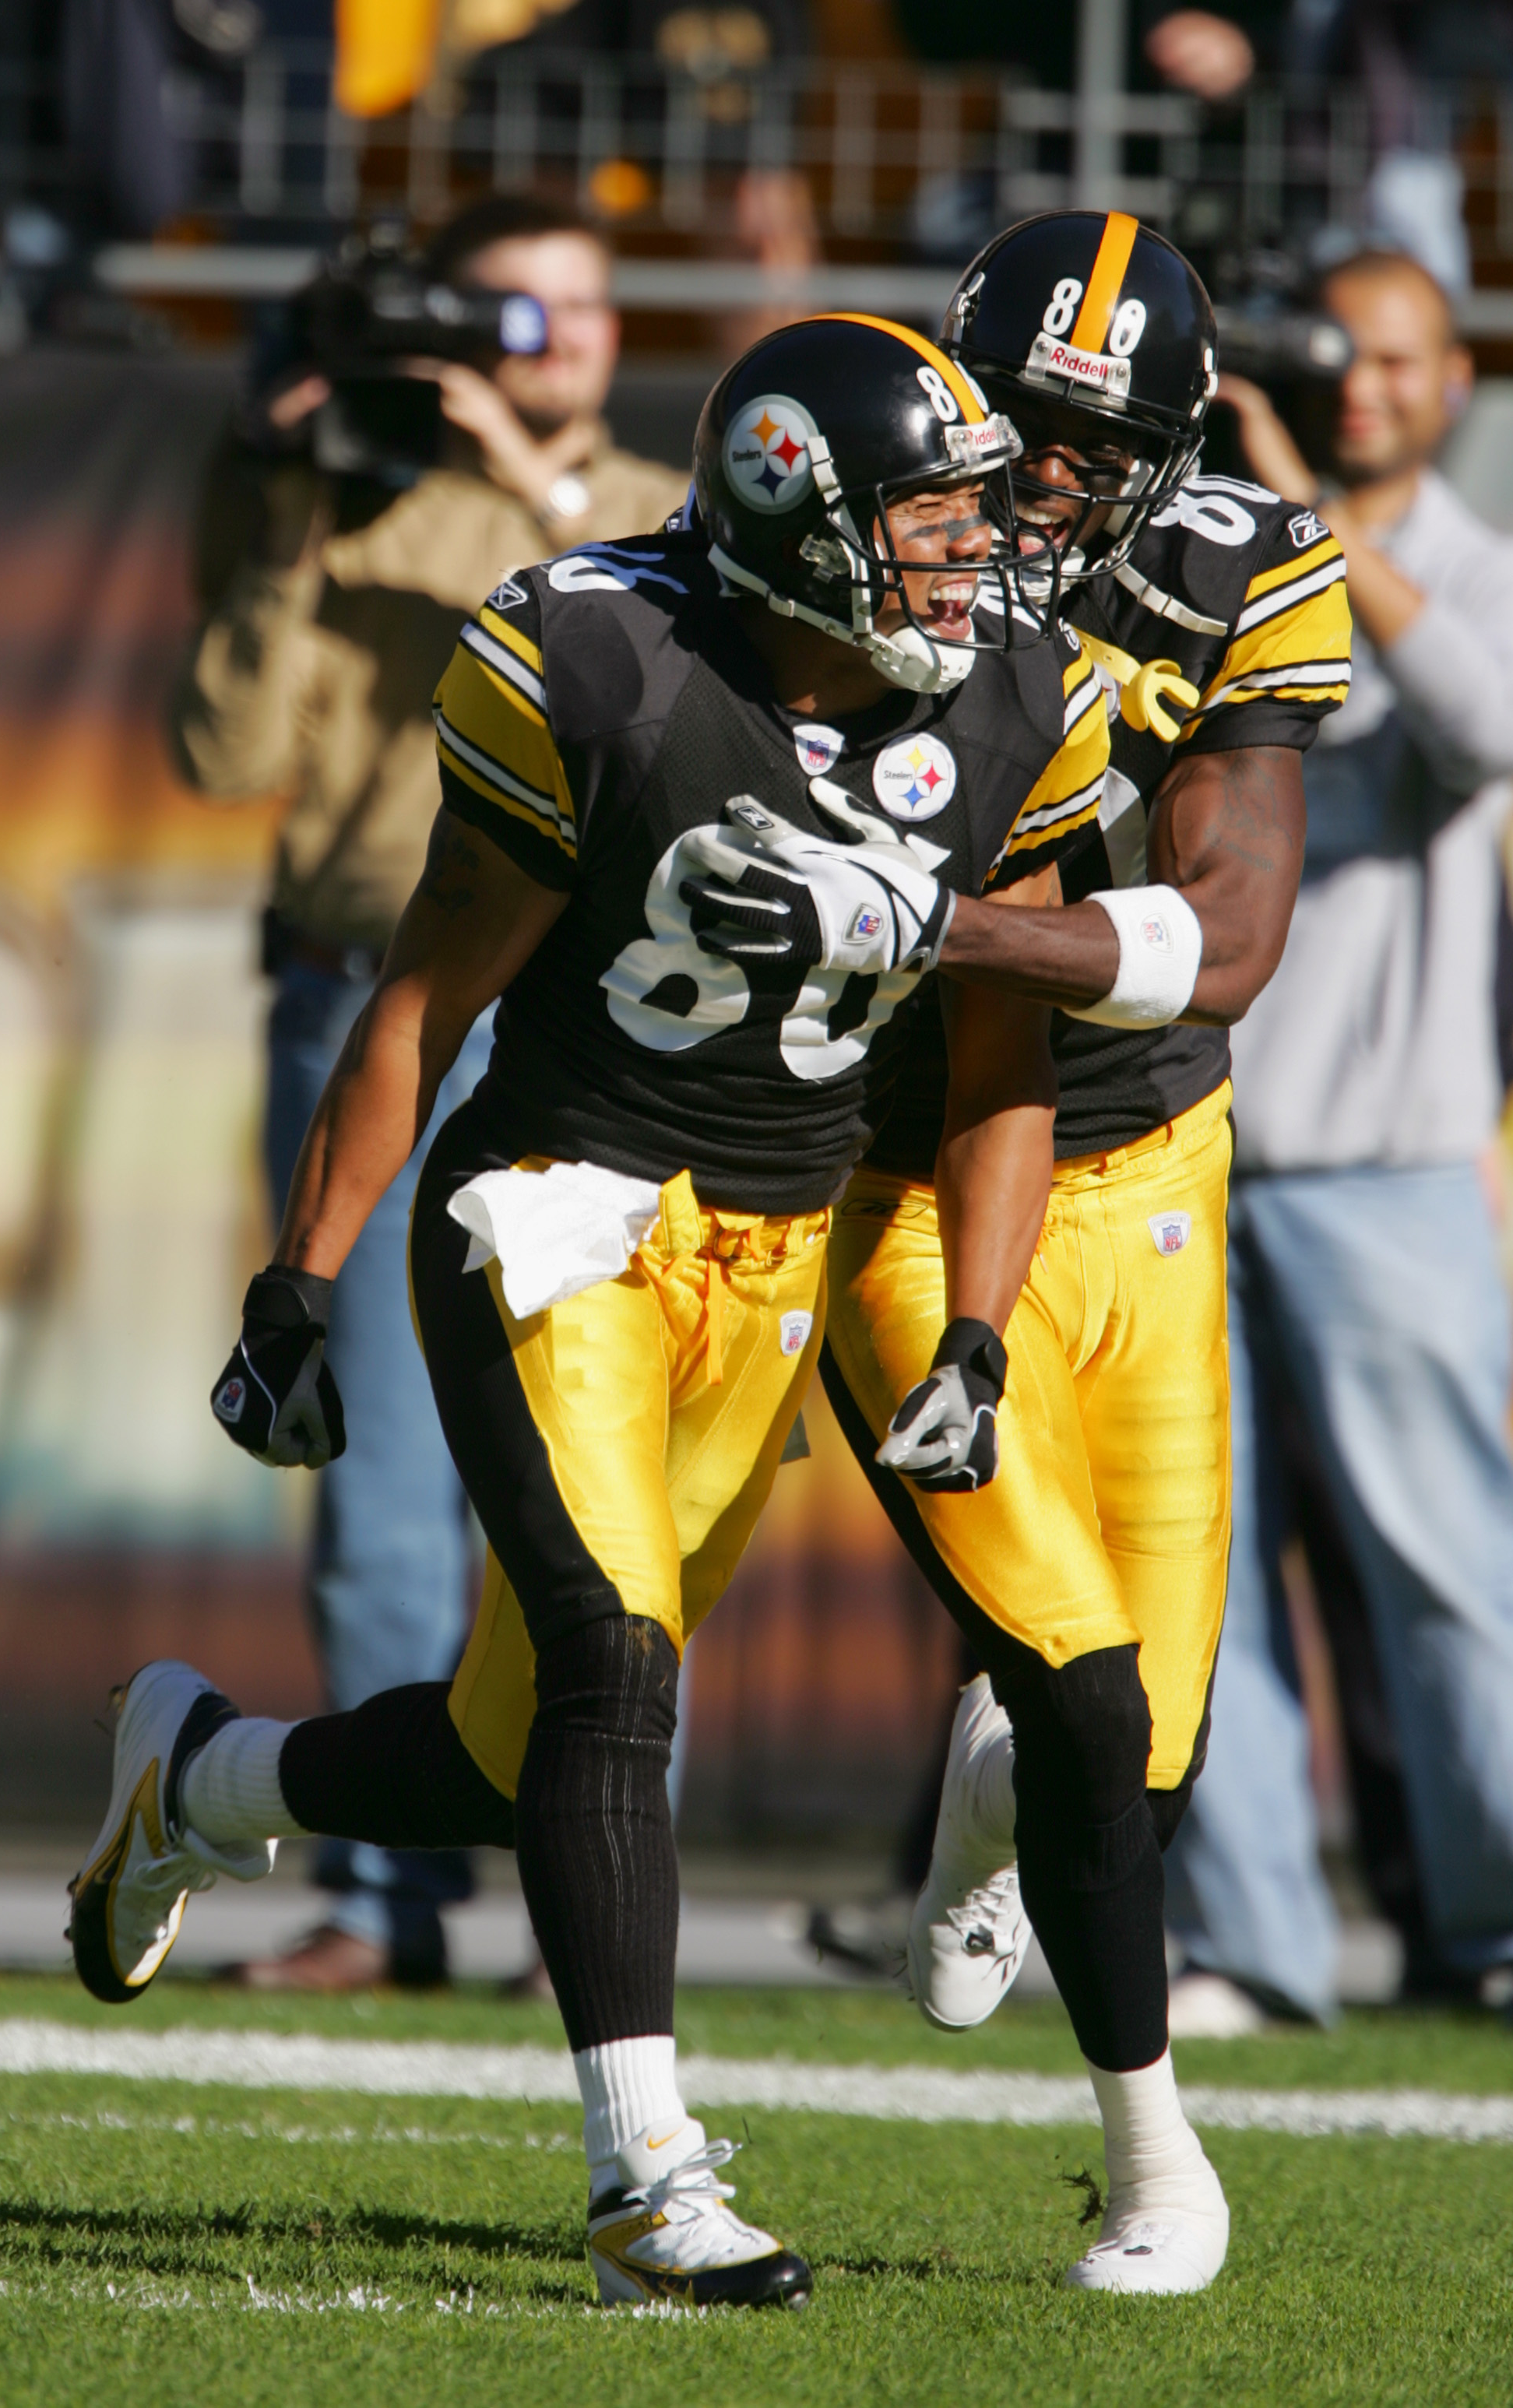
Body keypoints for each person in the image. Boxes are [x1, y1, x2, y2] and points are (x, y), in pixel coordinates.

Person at [72, 311, 1113, 2308]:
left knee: (514, 1751)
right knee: (616, 1675)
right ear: (801, 512)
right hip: (558, 1215)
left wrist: (974, 1330)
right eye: (929, 518)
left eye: (976, 515)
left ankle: (196, 1772)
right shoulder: (600, 663)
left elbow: (1004, 1063)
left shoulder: (1015, 699)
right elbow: (423, 997)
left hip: (777, 1254)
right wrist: (296, 1281)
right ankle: (647, 2178)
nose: (971, 555)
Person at [705, 210, 1350, 2290]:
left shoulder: (1244, 563)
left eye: (1101, 438)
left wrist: (946, 920)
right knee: (1075, 1692)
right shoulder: (867, 500)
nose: (1054, 475)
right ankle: (1158, 2164)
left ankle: (995, 1797)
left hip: (1148, 1166)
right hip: (905, 1179)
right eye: (1029, 430)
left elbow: (1220, 951)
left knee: (1137, 1748)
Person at [169, 191, 685, 1992]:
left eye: (582, 312)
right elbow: (223, 751)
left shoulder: (655, 511)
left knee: (603, 1461)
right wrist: (294, 507)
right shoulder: (349, 490)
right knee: (378, 1475)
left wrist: (526, 491)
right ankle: (382, 1907)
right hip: (368, 1004)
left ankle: (593, 1896)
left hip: (584, 1024)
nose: (553, 348)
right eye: (512, 315)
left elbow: (679, 712)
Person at [1162, 247, 1513, 2021]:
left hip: (1388, 1163)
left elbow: (1493, 722)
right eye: (1333, 357)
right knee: (1195, 1573)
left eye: (1397, 361)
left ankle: (1495, 1925)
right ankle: (1253, 1942)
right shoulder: (1207, 563)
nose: (1361, 387)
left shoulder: (1475, 573)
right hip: (1184, 1145)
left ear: (1454, 383)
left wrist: (1312, 525)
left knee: (1453, 1568)